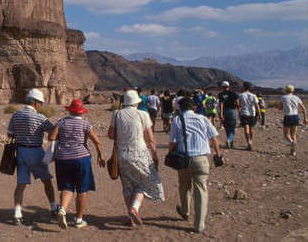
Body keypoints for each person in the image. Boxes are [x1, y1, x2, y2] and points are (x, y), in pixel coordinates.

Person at [108, 89, 164, 227]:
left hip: (122, 154)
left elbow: (110, 134)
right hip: (140, 154)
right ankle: (135, 208)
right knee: (143, 183)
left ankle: (130, 218)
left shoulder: (116, 114)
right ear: (136, 102)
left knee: (127, 186)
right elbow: (150, 139)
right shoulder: (142, 114)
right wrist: (155, 156)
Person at [48, 99, 104, 229]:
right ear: (81, 112)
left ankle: (62, 210)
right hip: (81, 159)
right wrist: (100, 156)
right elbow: (97, 141)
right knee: (82, 189)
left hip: (63, 159)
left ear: (70, 110)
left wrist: (63, 137)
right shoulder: (86, 124)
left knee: (67, 187)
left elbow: (51, 137)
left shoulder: (61, 122)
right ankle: (79, 220)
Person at [170, 97, 223, 233]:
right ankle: (199, 224)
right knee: (201, 191)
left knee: (184, 186)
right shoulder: (203, 119)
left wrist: (169, 153)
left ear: (180, 108)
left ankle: (185, 211)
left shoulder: (177, 120)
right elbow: (214, 139)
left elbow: (173, 141)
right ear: (193, 107)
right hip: (201, 159)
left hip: (183, 160)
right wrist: (218, 154)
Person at [6, 88, 58, 225]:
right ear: (35, 103)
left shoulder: (16, 115)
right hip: (37, 153)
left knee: (21, 184)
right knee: (47, 181)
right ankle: (53, 208)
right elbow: (54, 132)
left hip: (21, 152)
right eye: (40, 103)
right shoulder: (40, 118)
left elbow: (10, 134)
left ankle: (17, 214)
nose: (41, 105)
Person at [278, 85, 307, 156]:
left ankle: (291, 143)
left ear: (286, 90)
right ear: (292, 90)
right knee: (293, 135)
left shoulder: (283, 97)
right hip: (295, 117)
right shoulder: (296, 97)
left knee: (286, 135)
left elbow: (280, 108)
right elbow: (303, 108)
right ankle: (293, 151)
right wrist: (305, 118)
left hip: (287, 116)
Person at [238, 82, 260, 151]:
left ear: (244, 87)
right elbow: (257, 106)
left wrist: (239, 113)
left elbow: (239, 105)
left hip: (244, 113)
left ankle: (248, 142)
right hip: (252, 114)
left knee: (246, 129)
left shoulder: (241, 95)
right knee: (251, 129)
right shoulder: (253, 96)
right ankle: (251, 141)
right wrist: (259, 114)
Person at [218, 81, 240, 149]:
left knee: (227, 128)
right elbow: (238, 103)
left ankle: (230, 143)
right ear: (228, 86)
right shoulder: (233, 94)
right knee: (232, 128)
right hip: (232, 111)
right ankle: (229, 140)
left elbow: (221, 104)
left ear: (222, 87)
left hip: (224, 111)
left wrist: (221, 114)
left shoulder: (220, 94)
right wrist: (239, 112)